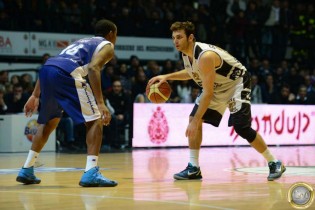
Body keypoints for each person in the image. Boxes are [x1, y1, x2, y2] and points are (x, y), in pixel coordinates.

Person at [148, 21, 286, 181]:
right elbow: (191, 72)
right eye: (173, 38)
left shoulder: (205, 56)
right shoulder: (187, 53)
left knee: (241, 127)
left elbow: (207, 92)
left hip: (236, 83)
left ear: (190, 37)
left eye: (179, 37)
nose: (175, 41)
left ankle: (274, 162)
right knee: (194, 118)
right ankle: (193, 168)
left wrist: (196, 121)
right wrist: (167, 77)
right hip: (218, 85)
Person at [16, 19, 118, 187]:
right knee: (94, 120)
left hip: (47, 71)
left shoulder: (82, 41)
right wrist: (100, 103)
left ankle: (27, 169)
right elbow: (93, 68)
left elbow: (52, 63)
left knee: (50, 122)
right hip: (67, 73)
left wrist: (35, 95)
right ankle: (91, 172)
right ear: (111, 34)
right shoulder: (107, 45)